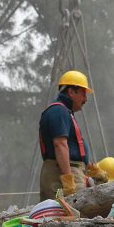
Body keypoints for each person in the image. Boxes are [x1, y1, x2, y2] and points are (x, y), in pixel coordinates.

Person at [38, 71, 105, 200]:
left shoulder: (63, 111)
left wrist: (90, 167)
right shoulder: (59, 111)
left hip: (66, 170)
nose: (85, 99)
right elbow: (60, 145)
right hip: (62, 172)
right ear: (71, 92)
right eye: (83, 93)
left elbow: (71, 146)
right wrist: (68, 180)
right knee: (71, 210)